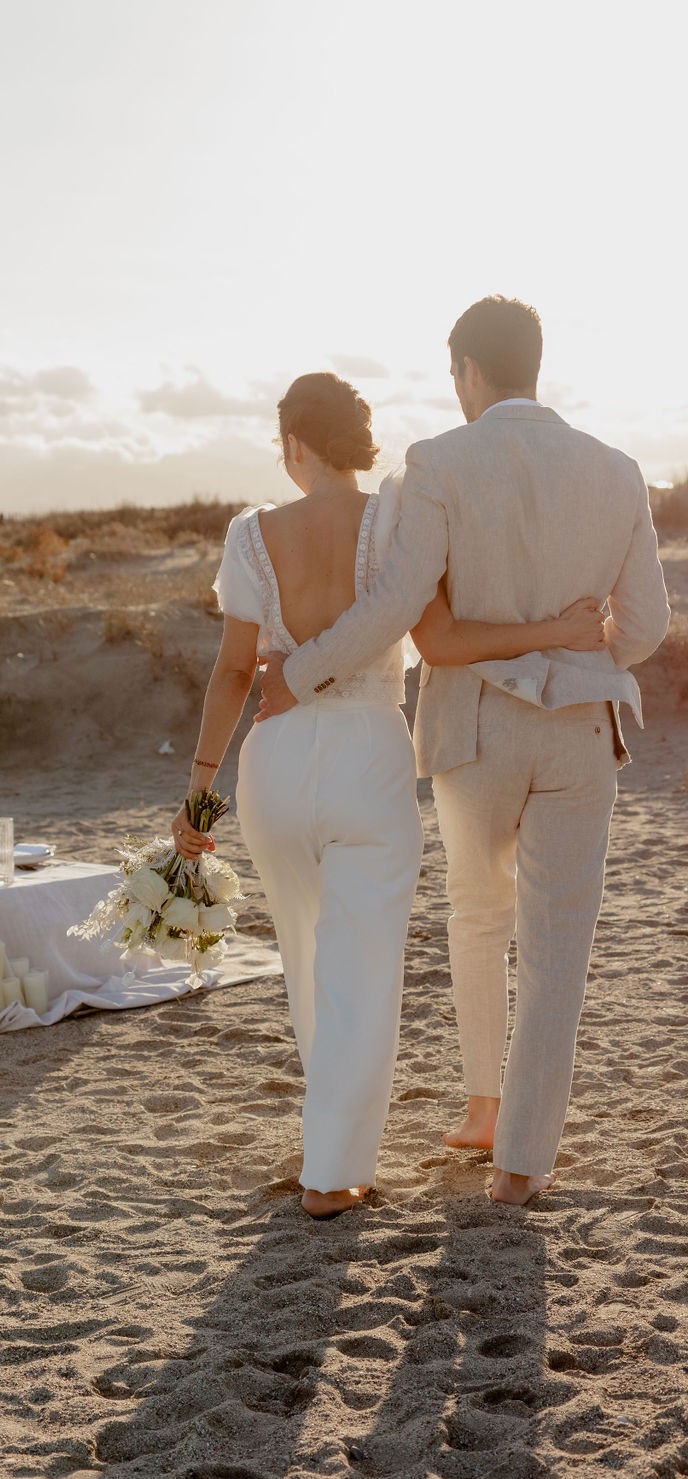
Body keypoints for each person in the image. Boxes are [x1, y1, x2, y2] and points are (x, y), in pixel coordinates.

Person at [257, 301, 671, 1206]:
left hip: (476, 730)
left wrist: (304, 670)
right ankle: (521, 1164)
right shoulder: (617, 469)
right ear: (534, 365)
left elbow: (398, 604)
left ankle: (483, 1104)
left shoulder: (439, 462)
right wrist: (572, 648)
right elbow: (645, 628)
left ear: (470, 371)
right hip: (581, 733)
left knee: (478, 917)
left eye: (455, 375)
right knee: (558, 948)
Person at [173, 370, 608, 1219]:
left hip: (275, 765)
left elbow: (233, 673)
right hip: (368, 757)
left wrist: (199, 796)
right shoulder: (396, 518)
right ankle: (332, 1175)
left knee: (306, 963)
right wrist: (556, 632)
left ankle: (328, 1143)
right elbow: (437, 638)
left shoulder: (250, 534)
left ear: (296, 444)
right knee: (360, 972)